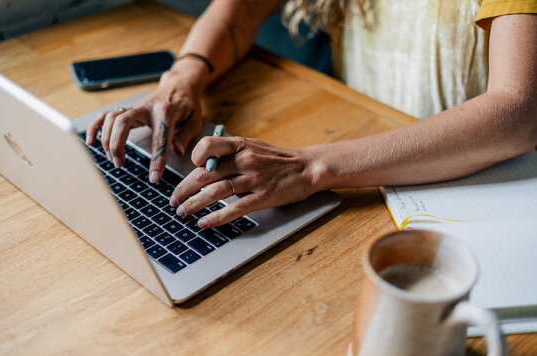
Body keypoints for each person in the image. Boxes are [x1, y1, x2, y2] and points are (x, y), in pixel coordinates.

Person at [86, 0, 537, 229]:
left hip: (475, 178)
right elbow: (240, 7)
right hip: (356, 146)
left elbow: (518, 111)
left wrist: (308, 166)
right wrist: (183, 77)